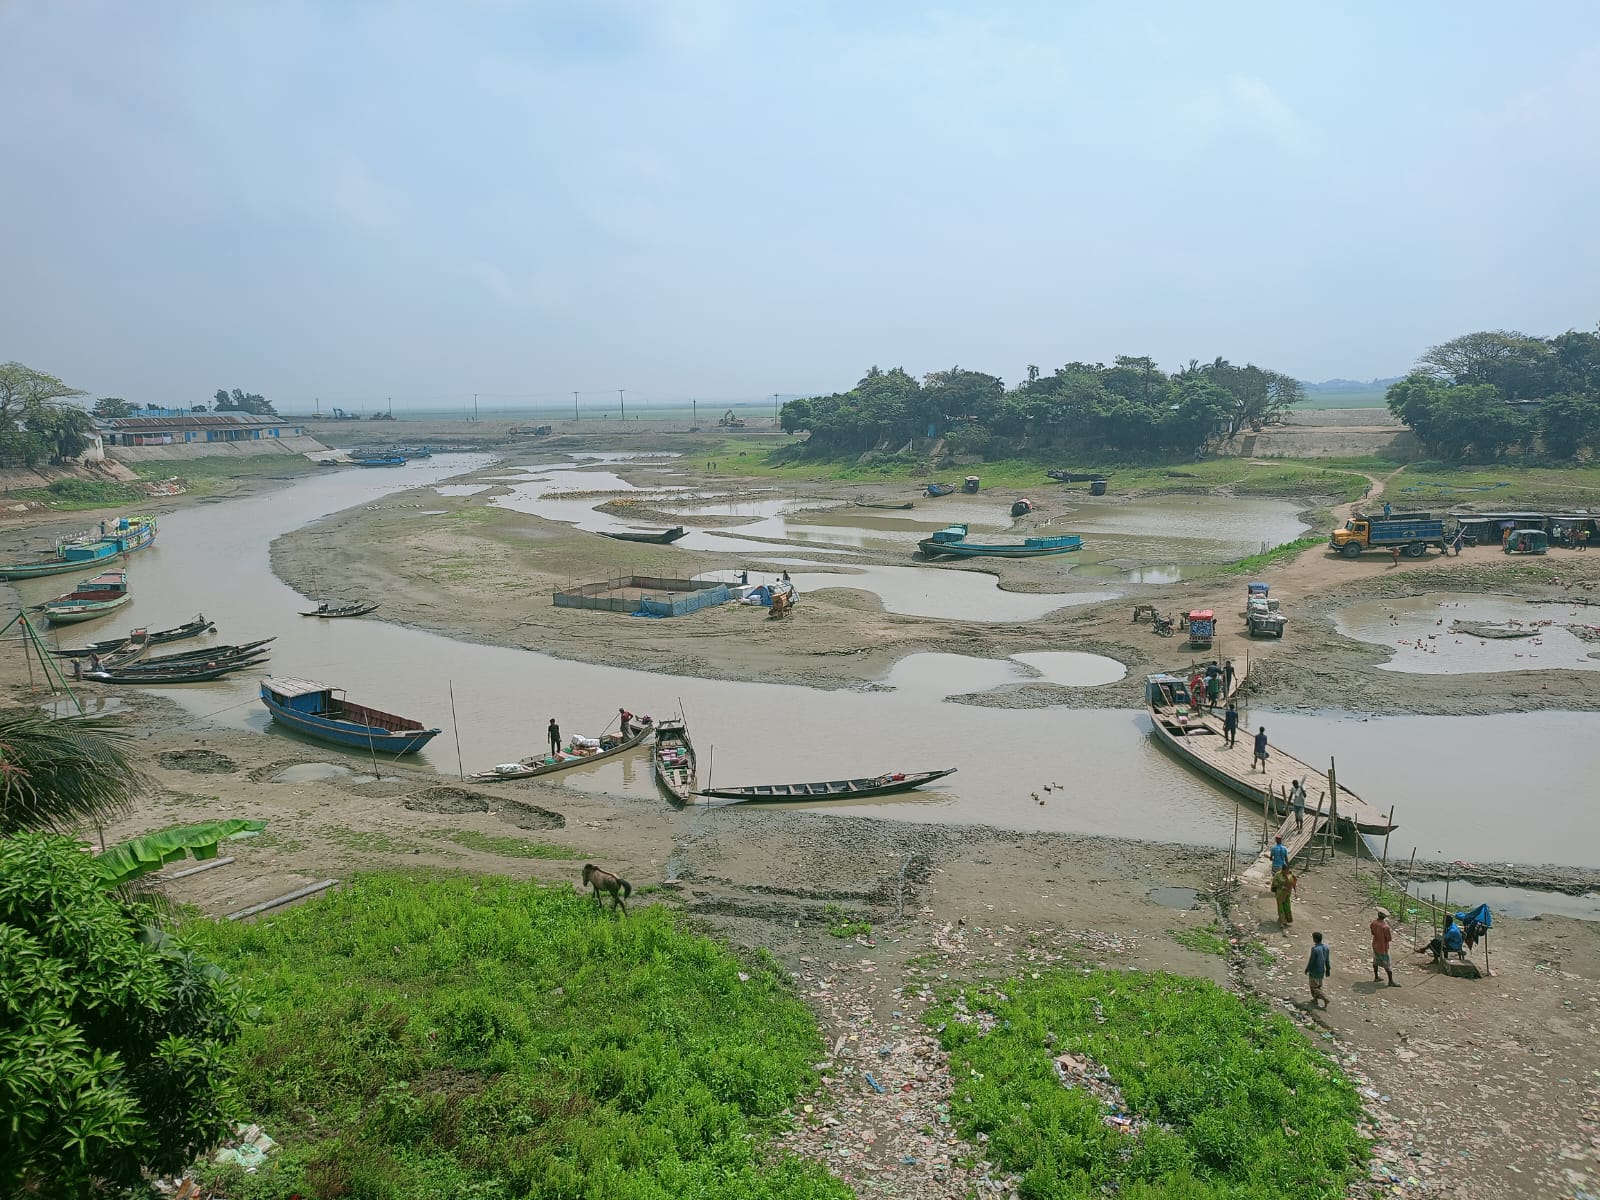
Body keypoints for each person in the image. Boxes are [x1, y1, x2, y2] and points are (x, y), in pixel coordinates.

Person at [1370, 908, 1399, 987]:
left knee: (1375, 961)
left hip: (1375, 945)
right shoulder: (1385, 927)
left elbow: (1372, 932)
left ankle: (1376, 976)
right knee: (1387, 965)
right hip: (1383, 947)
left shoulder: (1373, 923)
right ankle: (1390, 981)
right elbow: (1389, 938)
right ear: (1384, 917)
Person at [1305, 931, 1331, 1009]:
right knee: (1318, 986)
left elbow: (1311, 960)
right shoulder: (1326, 948)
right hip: (1322, 970)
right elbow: (1327, 960)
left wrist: (1307, 968)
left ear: (1315, 939)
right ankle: (1315, 1000)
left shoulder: (1315, 949)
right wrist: (1328, 969)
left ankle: (1325, 998)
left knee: (1313, 987)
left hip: (1314, 970)